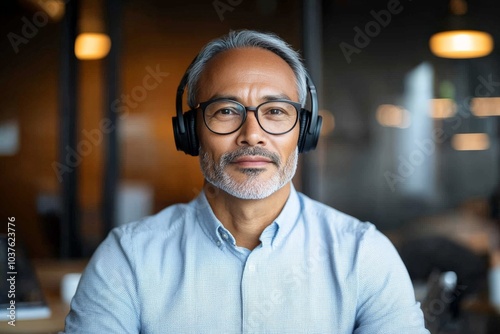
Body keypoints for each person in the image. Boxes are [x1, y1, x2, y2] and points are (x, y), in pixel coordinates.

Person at [63, 30, 429, 333]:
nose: (252, 134)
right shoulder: (127, 258)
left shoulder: (364, 255)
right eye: (225, 111)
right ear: (190, 132)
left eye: (275, 112)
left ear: (304, 131)